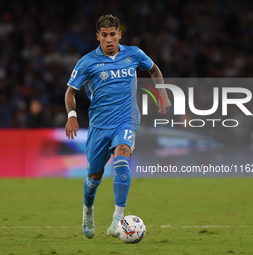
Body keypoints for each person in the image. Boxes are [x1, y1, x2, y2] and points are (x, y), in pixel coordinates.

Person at [64, 14, 171, 239]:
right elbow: (70, 92)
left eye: (113, 34)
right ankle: (88, 211)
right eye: (104, 35)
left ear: (119, 34)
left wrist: (162, 93)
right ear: (98, 37)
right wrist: (72, 116)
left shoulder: (133, 53)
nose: (109, 39)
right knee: (94, 176)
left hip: (126, 121)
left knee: (122, 160)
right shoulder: (87, 62)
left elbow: (154, 70)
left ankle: (117, 219)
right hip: (99, 126)